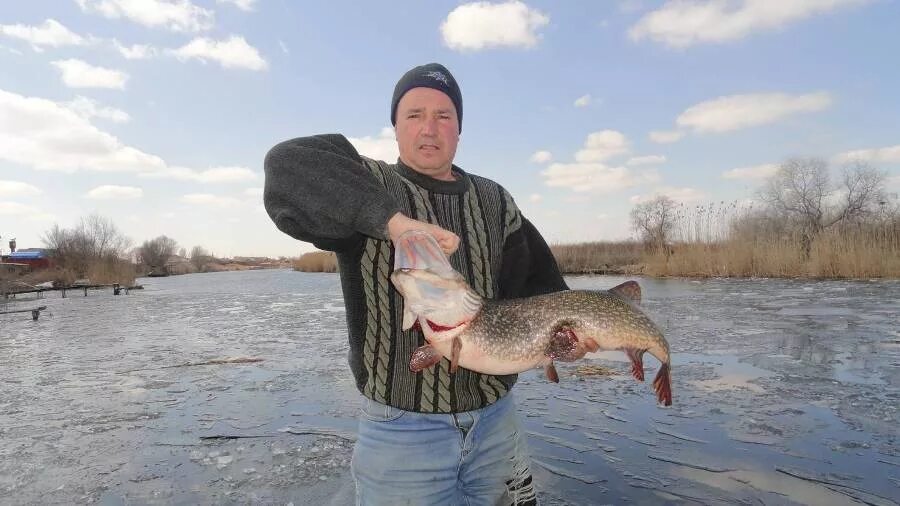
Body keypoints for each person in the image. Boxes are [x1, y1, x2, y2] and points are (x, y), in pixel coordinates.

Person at [264, 62, 567, 505]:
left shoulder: (496, 200)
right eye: (414, 114)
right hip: (402, 434)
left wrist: (565, 335)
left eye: (444, 115)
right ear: (395, 127)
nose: (430, 128)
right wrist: (394, 224)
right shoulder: (369, 184)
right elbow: (285, 167)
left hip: (497, 426)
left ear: (459, 128)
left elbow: (543, 291)